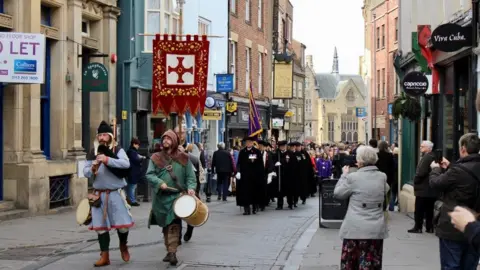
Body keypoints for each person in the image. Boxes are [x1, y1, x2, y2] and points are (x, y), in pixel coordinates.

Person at [83, 121, 133, 267]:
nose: (102, 138)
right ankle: (104, 256)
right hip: (99, 195)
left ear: (110, 136)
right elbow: (84, 172)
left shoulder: (118, 150)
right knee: (100, 228)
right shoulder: (92, 151)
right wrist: (91, 169)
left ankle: (123, 245)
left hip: (115, 194)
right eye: (100, 135)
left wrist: (107, 159)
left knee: (123, 226)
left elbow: (126, 164)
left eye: (105, 135)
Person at [145, 130, 197, 266]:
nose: (165, 141)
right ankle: (169, 249)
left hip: (177, 196)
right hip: (161, 198)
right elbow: (149, 174)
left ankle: (173, 251)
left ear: (174, 141)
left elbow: (191, 177)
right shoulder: (155, 157)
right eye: (164, 139)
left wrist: (191, 188)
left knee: (174, 224)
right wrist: (159, 183)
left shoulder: (184, 158)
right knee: (165, 224)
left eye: (168, 139)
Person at [429, 133, 480, 269]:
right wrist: (450, 167)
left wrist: (435, 169)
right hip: (475, 229)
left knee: (451, 266)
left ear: (463, 149)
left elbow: (435, 183)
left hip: (453, 227)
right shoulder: (458, 170)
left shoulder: (457, 171)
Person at [334, 146, 389, 269]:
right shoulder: (382, 177)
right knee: (371, 263)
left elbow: (338, 194)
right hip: (375, 229)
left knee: (350, 264)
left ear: (361, 161)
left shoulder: (353, 178)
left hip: (355, 229)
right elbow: (386, 189)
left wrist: (344, 175)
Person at [408, 140, 437, 234]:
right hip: (430, 189)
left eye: (422, 146)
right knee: (429, 209)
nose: (420, 148)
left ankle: (418, 227)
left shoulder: (427, 157)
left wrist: (415, 180)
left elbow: (421, 172)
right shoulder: (433, 156)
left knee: (419, 209)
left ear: (429, 148)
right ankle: (430, 227)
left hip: (423, 188)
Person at [235, 137, 265, 215]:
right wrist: (238, 172)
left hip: (254, 177)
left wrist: (260, 175)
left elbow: (260, 164)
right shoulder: (242, 152)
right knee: (245, 193)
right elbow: (239, 163)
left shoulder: (257, 152)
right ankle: (246, 209)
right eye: (247, 142)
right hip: (245, 176)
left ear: (252, 143)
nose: (248, 143)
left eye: (250, 142)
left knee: (254, 193)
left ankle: (254, 207)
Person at [273, 140, 295, 210]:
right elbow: (273, 162)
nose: (282, 147)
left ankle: (290, 204)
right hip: (280, 175)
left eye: (283, 146)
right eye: (281, 146)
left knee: (289, 190)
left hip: (288, 175)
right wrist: (275, 165)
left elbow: (293, 164)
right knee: (280, 190)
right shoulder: (277, 154)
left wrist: (282, 162)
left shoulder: (290, 153)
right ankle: (280, 205)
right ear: (279, 147)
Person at [126, 137, 145, 206]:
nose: (138, 146)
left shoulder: (132, 151)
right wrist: (142, 159)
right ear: (134, 144)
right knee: (132, 187)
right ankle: (132, 201)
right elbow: (136, 160)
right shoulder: (132, 152)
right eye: (137, 144)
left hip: (133, 172)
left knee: (132, 186)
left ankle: (131, 200)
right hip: (132, 172)